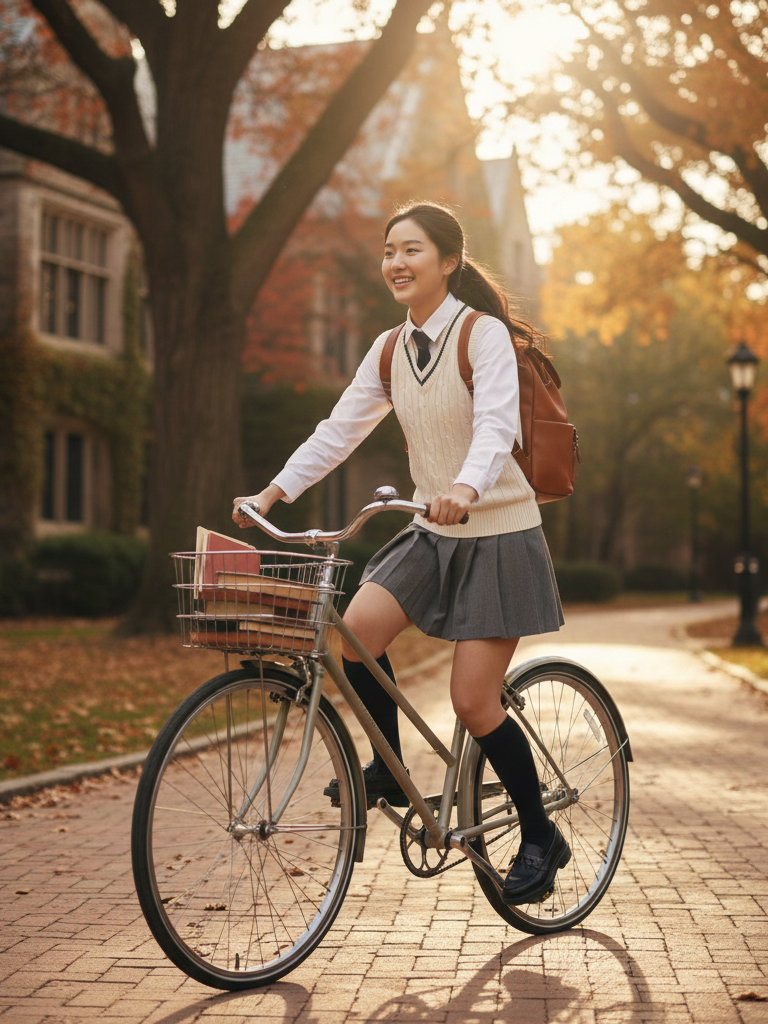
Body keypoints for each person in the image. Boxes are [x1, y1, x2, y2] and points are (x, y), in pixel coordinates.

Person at [232, 201, 570, 906]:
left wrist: (467, 487)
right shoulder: (388, 348)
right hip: (431, 530)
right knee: (355, 635)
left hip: (497, 531)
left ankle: (541, 834)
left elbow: (496, 424)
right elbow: (338, 429)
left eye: (411, 250)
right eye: (389, 251)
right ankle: (386, 770)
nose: (396, 263)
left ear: (447, 261)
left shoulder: (483, 337)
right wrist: (273, 493)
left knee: (473, 702)